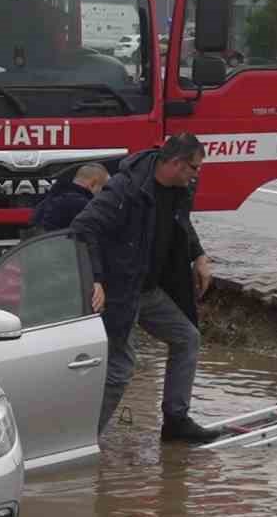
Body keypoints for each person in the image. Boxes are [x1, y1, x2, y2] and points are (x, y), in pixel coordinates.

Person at [69, 133, 220, 444]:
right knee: (120, 370)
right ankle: (84, 440)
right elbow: (84, 227)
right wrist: (95, 278)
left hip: (149, 290)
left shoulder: (181, 187)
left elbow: (182, 223)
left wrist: (199, 255)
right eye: (194, 167)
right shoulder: (126, 188)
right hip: (119, 290)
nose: (198, 174)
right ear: (176, 164)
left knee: (186, 338)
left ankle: (176, 421)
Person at [31, 163, 109, 232]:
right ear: (92, 184)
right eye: (102, 188)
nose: (103, 194)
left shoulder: (44, 204)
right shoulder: (85, 207)